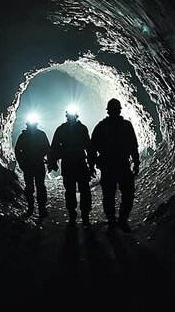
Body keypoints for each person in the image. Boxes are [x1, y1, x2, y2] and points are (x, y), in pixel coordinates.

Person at [89, 98, 139, 233]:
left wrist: (91, 165)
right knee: (122, 194)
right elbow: (133, 146)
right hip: (118, 165)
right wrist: (136, 162)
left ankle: (116, 221)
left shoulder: (102, 126)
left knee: (113, 196)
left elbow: (92, 148)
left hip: (112, 166)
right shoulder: (125, 125)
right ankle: (118, 221)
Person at [48, 108, 94, 226]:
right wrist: (91, 164)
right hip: (78, 163)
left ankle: (77, 214)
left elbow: (54, 148)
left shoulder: (62, 129)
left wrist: (52, 161)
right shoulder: (81, 128)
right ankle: (81, 215)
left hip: (71, 163)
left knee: (73, 190)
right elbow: (88, 147)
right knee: (80, 189)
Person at [14, 115, 50, 218]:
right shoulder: (40, 134)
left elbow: (47, 149)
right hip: (33, 164)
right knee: (37, 186)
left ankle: (37, 209)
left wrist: (21, 162)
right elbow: (47, 149)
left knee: (36, 186)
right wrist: (21, 162)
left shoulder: (25, 136)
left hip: (32, 164)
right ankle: (37, 209)